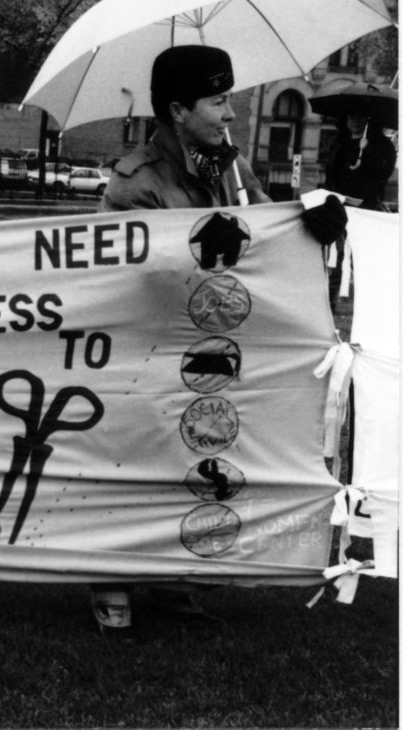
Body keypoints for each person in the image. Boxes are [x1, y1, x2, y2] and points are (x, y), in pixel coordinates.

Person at [91, 45, 347, 639]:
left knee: (195, 463)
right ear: (180, 110)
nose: (230, 113)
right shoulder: (135, 184)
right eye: (218, 100)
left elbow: (268, 226)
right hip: (148, 355)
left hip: (209, 351)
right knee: (129, 468)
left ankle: (174, 578)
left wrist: (308, 219)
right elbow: (135, 279)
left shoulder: (230, 167)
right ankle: (108, 576)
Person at [321, 113, 396, 303]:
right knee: (335, 256)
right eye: (350, 118)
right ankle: (330, 299)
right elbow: (332, 174)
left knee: (361, 256)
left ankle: (372, 299)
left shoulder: (381, 145)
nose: (353, 121)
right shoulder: (340, 143)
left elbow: (383, 174)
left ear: (368, 121)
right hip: (339, 207)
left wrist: (367, 153)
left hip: (365, 209)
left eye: (359, 118)